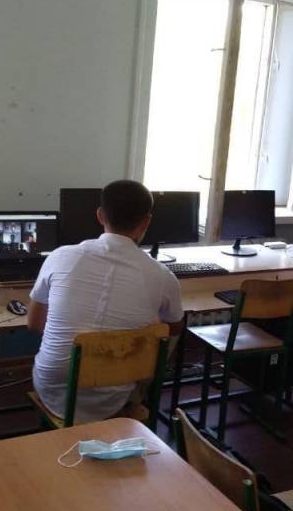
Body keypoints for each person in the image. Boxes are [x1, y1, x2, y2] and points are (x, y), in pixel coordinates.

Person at [27, 179, 184, 423]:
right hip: (112, 399)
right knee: (162, 336)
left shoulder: (60, 257)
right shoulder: (163, 276)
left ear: (100, 215)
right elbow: (174, 328)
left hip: (53, 390)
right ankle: (142, 405)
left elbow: (34, 323)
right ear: (146, 222)